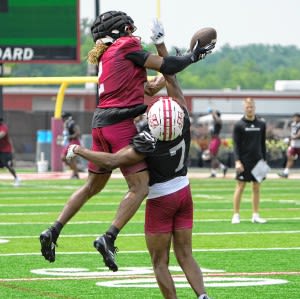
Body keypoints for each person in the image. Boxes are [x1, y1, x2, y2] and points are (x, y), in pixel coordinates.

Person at [39, 10, 214, 266]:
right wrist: (192, 56)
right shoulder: (126, 46)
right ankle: (108, 237)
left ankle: (53, 230)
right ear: (124, 30)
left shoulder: (108, 57)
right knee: (140, 186)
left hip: (100, 123)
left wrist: (168, 65)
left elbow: (148, 86)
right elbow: (167, 67)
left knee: (91, 187)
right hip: (119, 125)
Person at [66, 40, 213, 299]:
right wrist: (161, 46)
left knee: (160, 262)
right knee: (186, 254)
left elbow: (111, 162)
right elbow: (171, 80)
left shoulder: (146, 141)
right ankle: (203, 297)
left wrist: (80, 151)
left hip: (160, 199)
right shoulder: (185, 122)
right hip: (184, 192)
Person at [231, 98, 267, 224]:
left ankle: (255, 215)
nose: (250, 109)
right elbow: (235, 145)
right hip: (244, 161)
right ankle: (236, 215)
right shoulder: (239, 125)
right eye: (247, 107)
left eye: (251, 106)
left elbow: (263, 144)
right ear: (244, 108)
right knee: (240, 186)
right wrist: (237, 161)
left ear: (254, 107)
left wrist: (264, 160)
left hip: (258, 161)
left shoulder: (262, 124)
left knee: (256, 187)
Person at [278, 113, 300, 178]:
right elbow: (292, 134)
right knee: (289, 158)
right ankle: (286, 173)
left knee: (290, 158)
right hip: (294, 145)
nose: (295, 119)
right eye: (294, 117)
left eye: (296, 117)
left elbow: (299, 135)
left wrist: (289, 139)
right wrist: (290, 141)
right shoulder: (293, 124)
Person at [0, 117, 20, 186]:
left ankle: (16, 178)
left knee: (8, 166)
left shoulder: (3, 127)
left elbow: (1, 134)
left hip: (5, 151)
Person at [207, 109, 228, 178]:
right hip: (213, 140)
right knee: (213, 157)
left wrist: (213, 113)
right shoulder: (214, 122)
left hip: (216, 140)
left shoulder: (218, 121)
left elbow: (217, 119)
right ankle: (213, 173)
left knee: (212, 156)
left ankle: (223, 167)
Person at [60, 112, 81, 179]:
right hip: (70, 142)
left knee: (71, 159)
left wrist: (69, 137)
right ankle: (75, 172)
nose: (63, 119)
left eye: (63, 117)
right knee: (64, 158)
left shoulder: (71, 123)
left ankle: (75, 173)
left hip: (74, 142)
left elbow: (77, 133)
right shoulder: (66, 124)